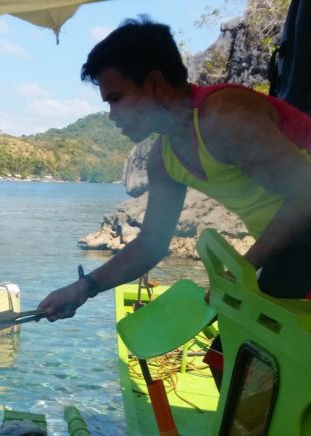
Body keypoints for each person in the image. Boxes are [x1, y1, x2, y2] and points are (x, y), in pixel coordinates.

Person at [38, 17, 311, 326]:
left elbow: (306, 196)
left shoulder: (224, 118)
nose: (112, 115)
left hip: (299, 246)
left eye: (116, 98)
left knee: (253, 360)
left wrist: (240, 271)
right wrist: (83, 289)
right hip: (294, 250)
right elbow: (151, 245)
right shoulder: (164, 159)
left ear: (155, 83)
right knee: (233, 358)